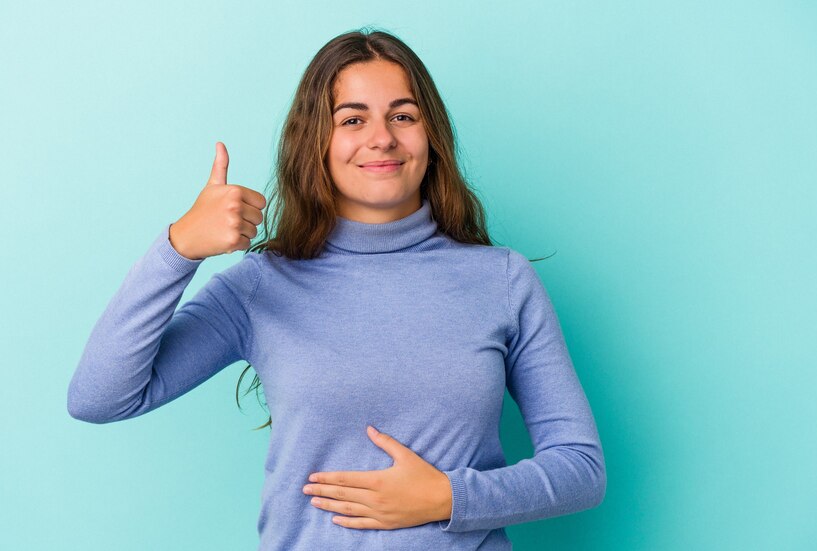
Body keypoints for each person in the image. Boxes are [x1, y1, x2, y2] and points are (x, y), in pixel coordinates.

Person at [67, 28, 606, 550]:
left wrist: (448, 496)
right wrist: (179, 248)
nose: (382, 137)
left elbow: (581, 467)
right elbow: (99, 398)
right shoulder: (262, 286)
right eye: (353, 118)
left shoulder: (503, 280)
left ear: (431, 137)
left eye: (403, 115)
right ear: (316, 142)